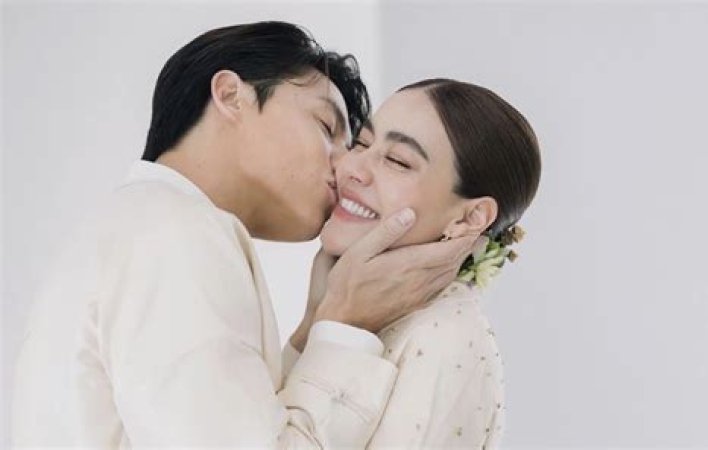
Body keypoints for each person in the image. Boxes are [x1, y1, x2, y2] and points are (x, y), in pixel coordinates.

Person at [11, 23, 479, 447]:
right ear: (231, 95)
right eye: (326, 127)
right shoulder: (176, 235)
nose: (345, 166)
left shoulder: (138, 225)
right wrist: (347, 327)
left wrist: (312, 329)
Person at [283, 79, 542, 448]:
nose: (352, 167)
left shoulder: (445, 338)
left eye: (397, 161)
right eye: (362, 143)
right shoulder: (343, 303)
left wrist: (341, 324)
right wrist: (315, 321)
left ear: (469, 218)